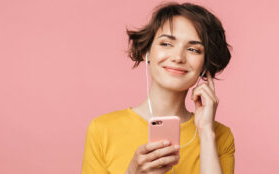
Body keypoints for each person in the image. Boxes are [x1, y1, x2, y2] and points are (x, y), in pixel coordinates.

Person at [81, 2, 235, 174]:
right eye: (166, 44)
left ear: (205, 66)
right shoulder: (103, 129)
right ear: (146, 52)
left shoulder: (220, 136)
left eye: (193, 49)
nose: (178, 57)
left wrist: (206, 133)